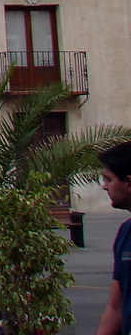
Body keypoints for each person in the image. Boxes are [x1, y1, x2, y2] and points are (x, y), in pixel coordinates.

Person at [97, 142, 131, 335]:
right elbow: (115, 308)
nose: (104, 186)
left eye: (108, 179)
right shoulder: (125, 232)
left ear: (129, 182)